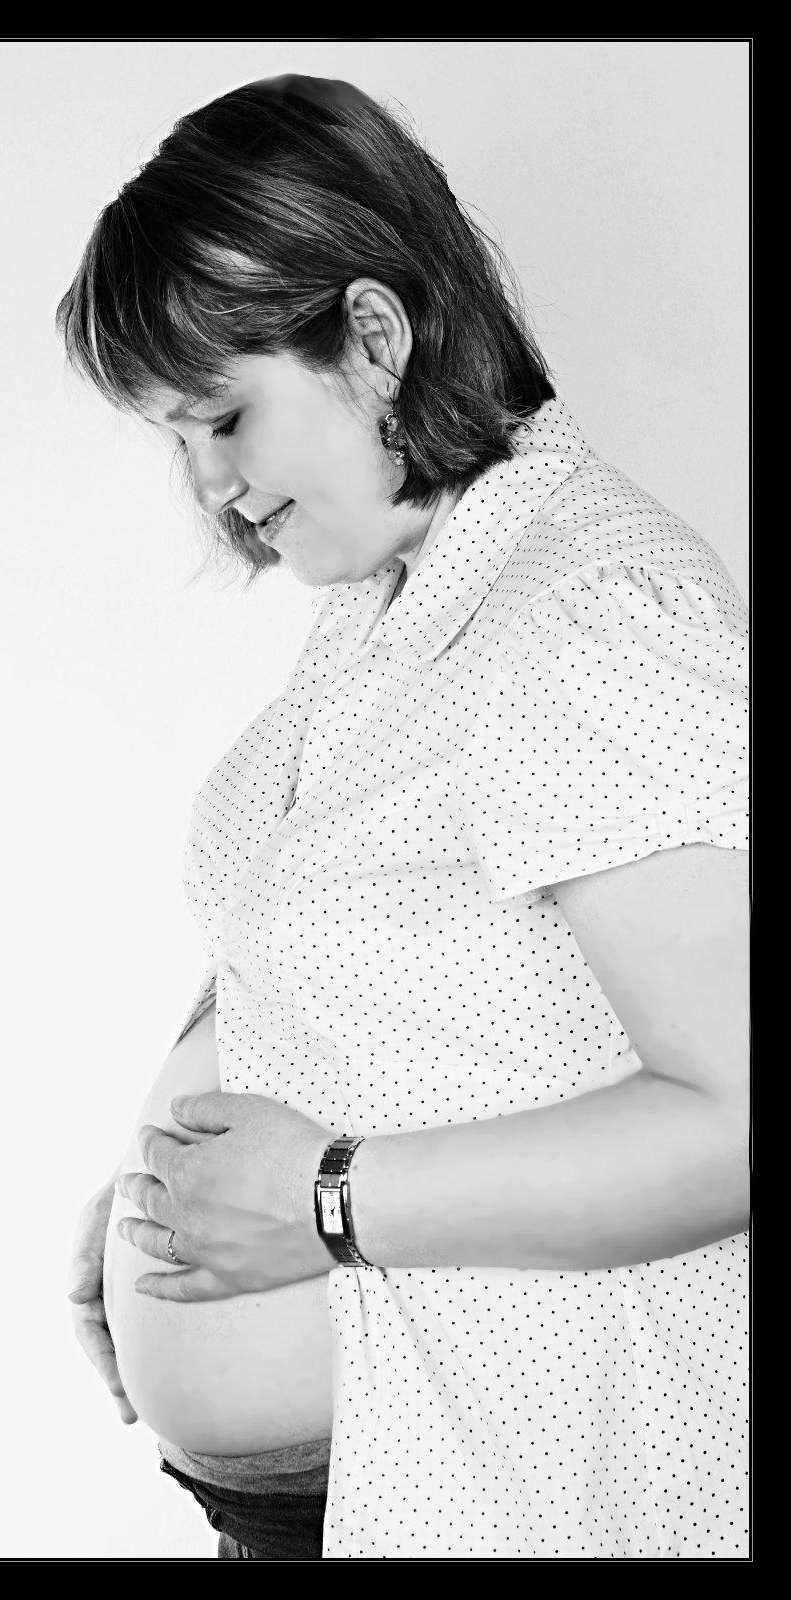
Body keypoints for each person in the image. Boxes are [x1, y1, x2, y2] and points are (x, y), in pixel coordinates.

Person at [59, 74, 749, 1560]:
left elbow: (736, 1126)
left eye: (223, 415)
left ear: (373, 337)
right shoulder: (396, 597)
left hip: (507, 1477)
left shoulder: (587, 610)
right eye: (173, 437)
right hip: (342, 1475)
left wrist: (317, 1206)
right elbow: (387, 978)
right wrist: (162, 1199)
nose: (210, 486)